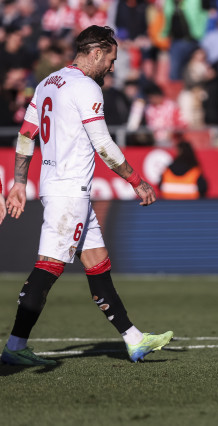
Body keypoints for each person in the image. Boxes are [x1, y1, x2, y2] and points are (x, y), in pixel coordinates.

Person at [1, 26, 173, 366]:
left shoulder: (48, 82)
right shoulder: (86, 87)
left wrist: (20, 181)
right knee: (48, 267)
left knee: (97, 263)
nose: (112, 67)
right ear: (96, 53)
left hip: (61, 187)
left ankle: (134, 339)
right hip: (70, 191)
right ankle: (15, 345)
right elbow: (104, 146)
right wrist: (137, 181)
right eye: (111, 59)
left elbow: (26, 134)